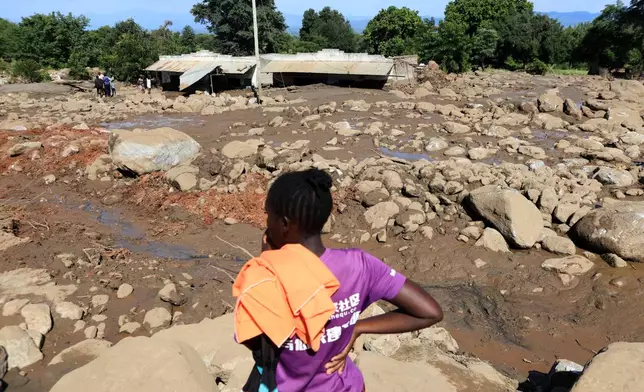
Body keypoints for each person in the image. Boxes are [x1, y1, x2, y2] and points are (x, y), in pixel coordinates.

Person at [236, 168, 443, 392]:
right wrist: (356, 327)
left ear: (284, 224)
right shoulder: (360, 265)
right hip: (343, 385)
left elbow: (254, 344)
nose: (266, 222)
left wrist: (266, 262)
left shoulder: (266, 276)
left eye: (268, 215)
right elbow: (430, 312)